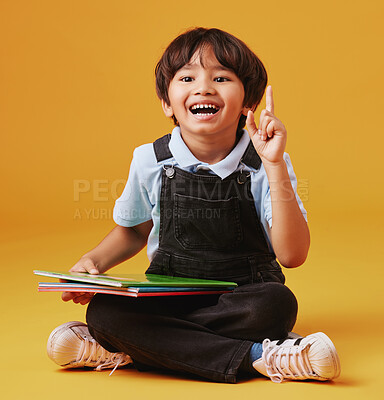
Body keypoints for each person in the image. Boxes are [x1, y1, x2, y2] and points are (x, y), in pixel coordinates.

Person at [47, 27, 340, 383]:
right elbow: (135, 230)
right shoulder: (149, 159)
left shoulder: (266, 162)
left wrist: (275, 165)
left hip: (242, 298)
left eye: (221, 77)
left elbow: (292, 256)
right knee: (104, 312)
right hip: (169, 295)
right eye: (187, 77)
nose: (203, 87)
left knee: (277, 305)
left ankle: (130, 347)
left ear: (248, 101)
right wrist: (92, 262)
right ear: (167, 102)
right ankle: (260, 357)